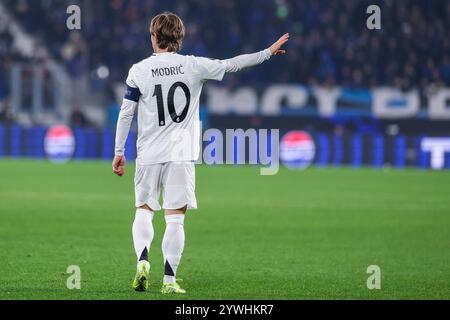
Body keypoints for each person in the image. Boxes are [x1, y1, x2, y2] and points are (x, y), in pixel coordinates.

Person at [112, 12, 289, 294]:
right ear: (179, 38)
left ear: (154, 37)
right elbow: (232, 65)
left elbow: (125, 114)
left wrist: (119, 151)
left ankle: (143, 261)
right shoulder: (193, 66)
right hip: (181, 155)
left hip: (148, 154)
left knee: (144, 211)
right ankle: (169, 281)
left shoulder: (139, 70)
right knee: (175, 218)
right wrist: (267, 53)